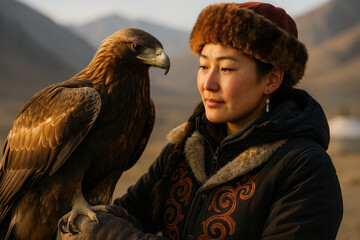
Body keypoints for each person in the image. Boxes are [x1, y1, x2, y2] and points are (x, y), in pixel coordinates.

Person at [61, 2, 343, 240]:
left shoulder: (305, 170)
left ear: (271, 79)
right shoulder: (185, 148)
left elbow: (112, 231)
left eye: (226, 68)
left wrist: (111, 236)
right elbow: (127, 212)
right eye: (204, 66)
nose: (208, 83)